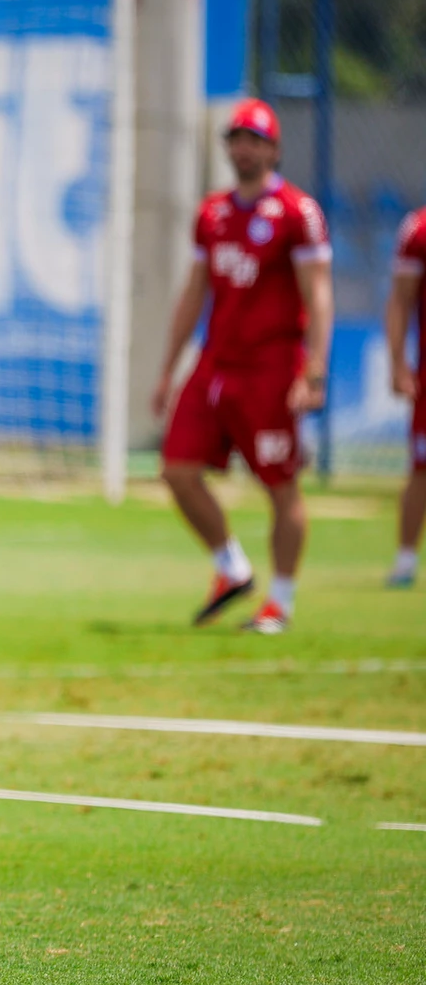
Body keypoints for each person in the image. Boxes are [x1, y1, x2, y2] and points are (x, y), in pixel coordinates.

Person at [151, 98, 333, 634]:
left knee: (281, 486)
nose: (243, 147)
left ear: (273, 148)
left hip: (272, 368)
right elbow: (194, 294)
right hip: (215, 365)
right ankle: (231, 568)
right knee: (177, 470)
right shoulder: (212, 213)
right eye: (236, 138)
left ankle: (279, 601)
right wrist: (168, 368)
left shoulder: (297, 213)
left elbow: (318, 293)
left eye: (254, 139)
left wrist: (314, 368)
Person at [385, 206, 426, 589]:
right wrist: (398, 363)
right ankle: (405, 559)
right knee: (422, 470)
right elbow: (400, 300)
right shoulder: (419, 228)